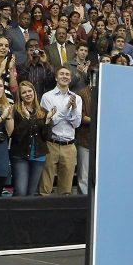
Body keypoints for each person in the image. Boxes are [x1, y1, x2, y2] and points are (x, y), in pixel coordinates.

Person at [39, 66, 83, 196]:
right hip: (51, 144)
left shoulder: (77, 98)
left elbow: (76, 124)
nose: (65, 76)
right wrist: (66, 109)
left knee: (66, 190)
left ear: (70, 79)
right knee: (45, 187)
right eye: (62, 74)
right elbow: (50, 122)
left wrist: (74, 108)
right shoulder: (47, 97)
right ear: (56, 78)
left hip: (69, 146)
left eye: (67, 74)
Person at [10, 81, 49, 197]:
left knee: (31, 193)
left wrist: (47, 123)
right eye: (24, 92)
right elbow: (15, 135)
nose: (27, 94)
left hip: (39, 156)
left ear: (34, 92)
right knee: (21, 191)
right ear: (20, 96)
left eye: (29, 91)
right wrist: (26, 119)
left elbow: (46, 137)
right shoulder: (15, 111)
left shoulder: (42, 111)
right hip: (20, 156)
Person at [75, 70, 98, 195]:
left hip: (102, 141)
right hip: (85, 139)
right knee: (84, 176)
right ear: (90, 77)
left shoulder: (107, 92)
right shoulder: (82, 93)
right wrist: (98, 120)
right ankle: (83, 203)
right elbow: (81, 117)